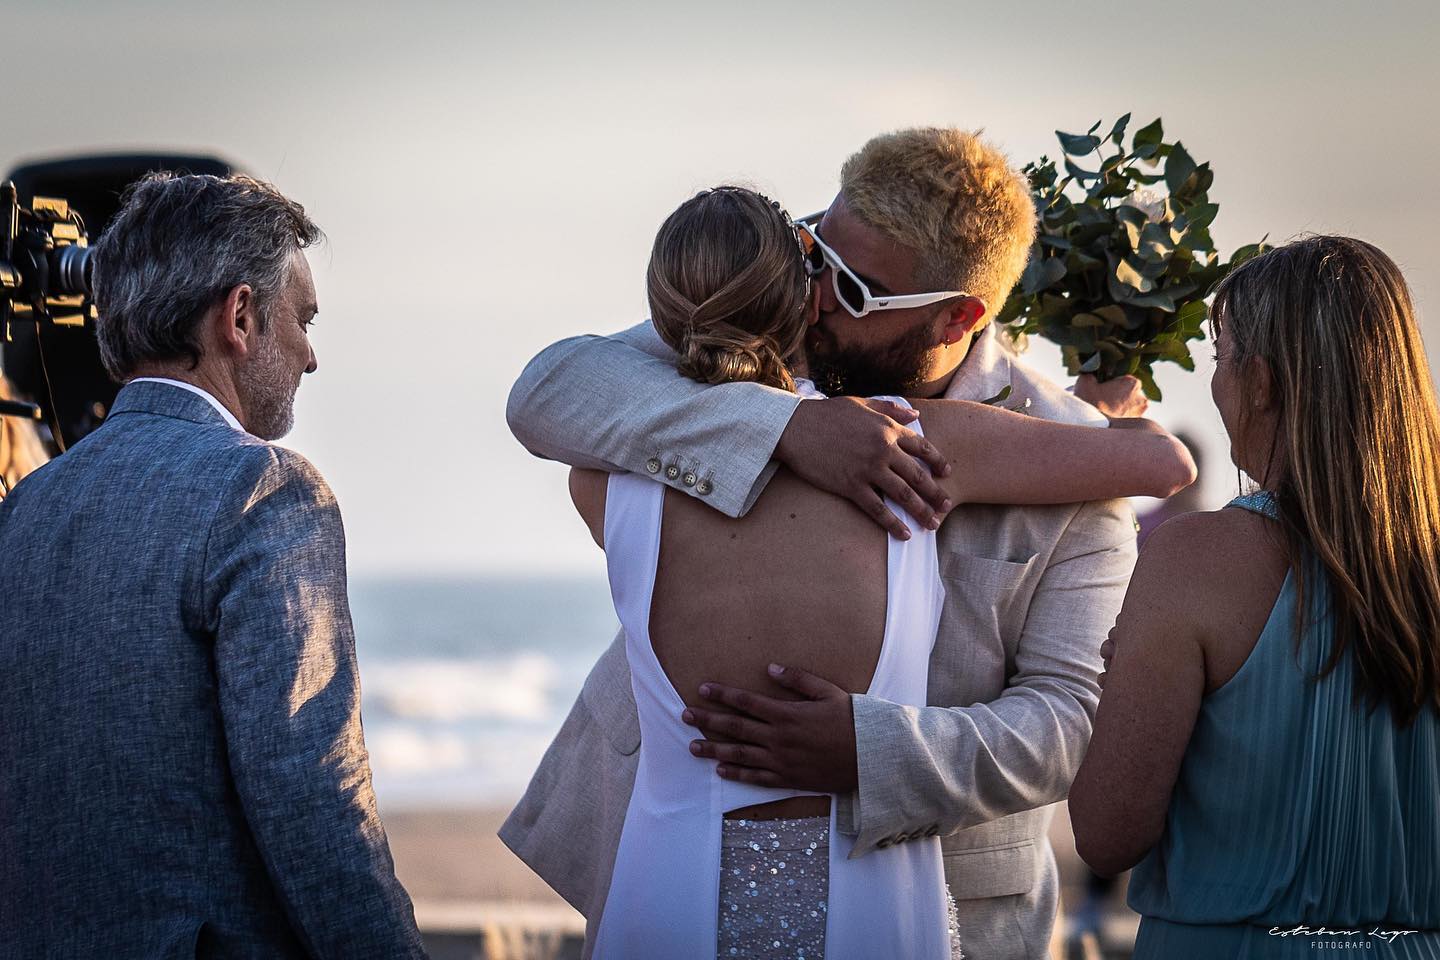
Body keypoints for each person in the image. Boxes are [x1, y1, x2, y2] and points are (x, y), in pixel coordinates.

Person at [502, 127, 1157, 959]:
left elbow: (1069, 724)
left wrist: (870, 751)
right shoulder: (772, 326)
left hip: (930, 890)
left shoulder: (1061, 451)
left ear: (958, 314)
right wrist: (786, 425)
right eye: (815, 253)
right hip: (660, 836)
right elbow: (549, 391)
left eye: (852, 287)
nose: (814, 298)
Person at [0, 173, 427, 958]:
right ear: (239, 317)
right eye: (302, 319)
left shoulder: (22, 511)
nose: (311, 355)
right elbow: (313, 795)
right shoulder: (265, 492)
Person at [1069, 236, 1440, 958]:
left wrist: (1117, 681)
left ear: (1262, 381)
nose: (1214, 383)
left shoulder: (1196, 558)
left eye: (1218, 354)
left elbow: (1107, 834)